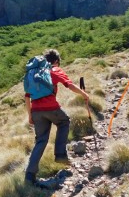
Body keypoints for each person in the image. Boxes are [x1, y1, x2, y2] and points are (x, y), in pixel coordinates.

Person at [25, 49, 89, 184]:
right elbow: (69, 85)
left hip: (36, 110)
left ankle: (30, 176)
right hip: (51, 107)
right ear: (56, 61)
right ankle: (60, 154)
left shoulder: (33, 73)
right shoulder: (55, 70)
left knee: (40, 141)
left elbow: (27, 97)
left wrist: (30, 115)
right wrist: (84, 95)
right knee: (64, 122)